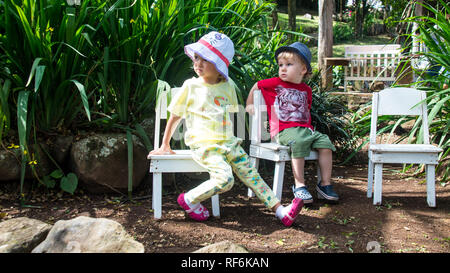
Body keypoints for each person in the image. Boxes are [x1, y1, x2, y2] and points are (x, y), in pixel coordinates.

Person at [147, 31, 303, 227]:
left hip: (229, 143)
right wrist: (164, 144)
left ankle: (280, 211)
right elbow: (176, 115)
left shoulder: (229, 86)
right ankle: (189, 199)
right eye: (197, 58)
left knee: (252, 174)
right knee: (226, 179)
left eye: (206, 59)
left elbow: (228, 114)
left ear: (220, 66)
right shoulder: (190, 86)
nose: (198, 63)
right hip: (205, 145)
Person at [246, 42, 339, 204]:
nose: (283, 68)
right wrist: (250, 103)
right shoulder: (274, 83)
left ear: (303, 70)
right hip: (283, 130)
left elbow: (305, 112)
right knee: (299, 141)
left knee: (325, 143)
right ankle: (300, 185)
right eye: (281, 65)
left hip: (304, 130)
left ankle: (325, 184)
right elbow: (257, 86)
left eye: (289, 65)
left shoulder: (306, 90)